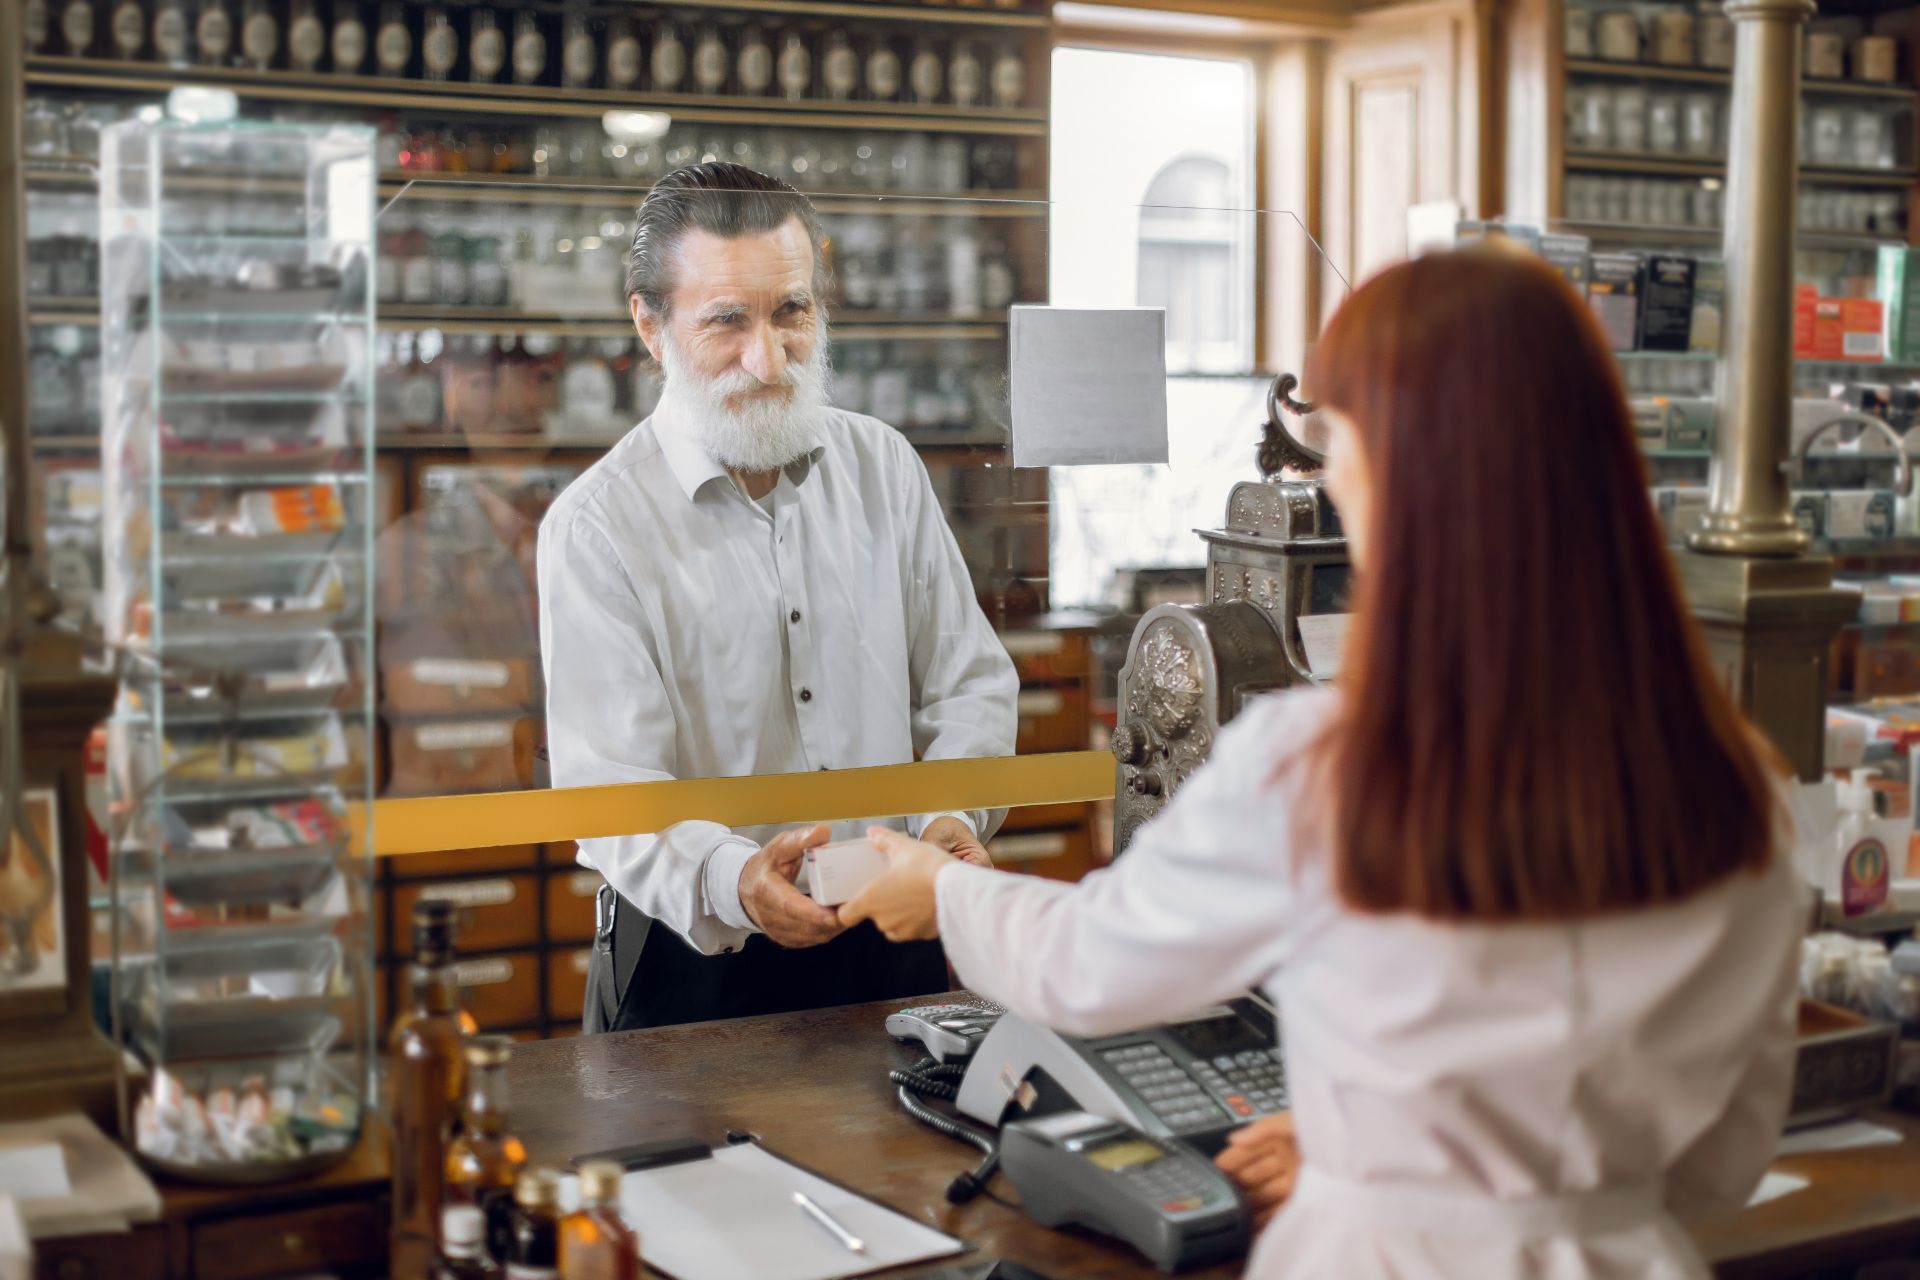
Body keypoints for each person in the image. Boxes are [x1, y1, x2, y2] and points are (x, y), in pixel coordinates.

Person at [840, 247, 1806, 1278]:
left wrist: (938, 888)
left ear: (1407, 475)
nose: (1335, 482)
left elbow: (1085, 966)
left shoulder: (1330, 766)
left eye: (1341, 448)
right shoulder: (1739, 786)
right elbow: (1722, 1163)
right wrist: (1390, 1147)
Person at [538, 163, 1018, 1031]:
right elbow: (609, 788)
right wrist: (735, 880)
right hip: (696, 958)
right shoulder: (596, 527)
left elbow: (969, 682)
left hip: (892, 931)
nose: (769, 358)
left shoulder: (884, 467)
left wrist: (951, 815)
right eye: (728, 321)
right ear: (651, 326)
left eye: (791, 311)